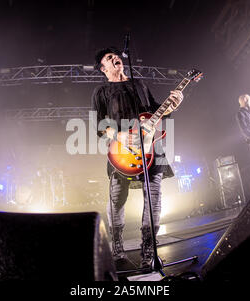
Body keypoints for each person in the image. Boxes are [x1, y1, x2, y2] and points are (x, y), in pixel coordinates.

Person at [91, 47, 183, 269]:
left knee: (154, 196)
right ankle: (118, 246)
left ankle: (149, 250)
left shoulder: (139, 84)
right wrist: (119, 135)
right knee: (116, 199)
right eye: (109, 58)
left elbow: (154, 111)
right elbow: (99, 125)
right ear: (103, 68)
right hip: (121, 151)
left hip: (151, 148)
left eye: (116, 56)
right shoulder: (101, 91)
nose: (116, 58)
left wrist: (172, 106)